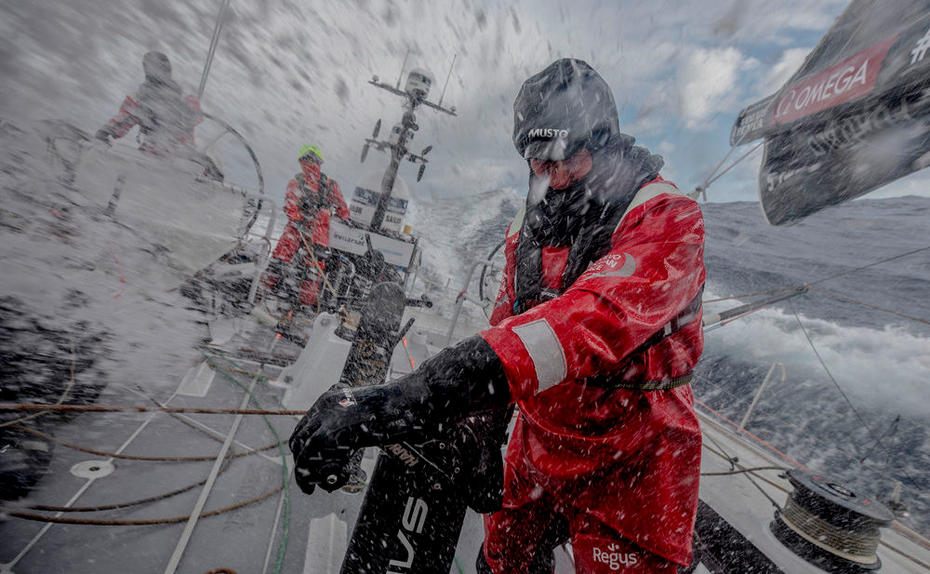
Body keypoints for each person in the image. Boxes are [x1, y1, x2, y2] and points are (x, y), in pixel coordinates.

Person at [289, 58, 705, 573]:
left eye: (562, 159)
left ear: (599, 141)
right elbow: (506, 328)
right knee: (503, 562)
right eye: (537, 161)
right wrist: (484, 430)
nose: (551, 178)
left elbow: (579, 324)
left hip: (635, 456)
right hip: (540, 440)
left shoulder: (666, 217)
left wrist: (399, 401)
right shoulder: (527, 231)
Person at [263, 145, 350, 308]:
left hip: (297, 231)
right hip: (318, 236)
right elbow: (343, 210)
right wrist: (341, 218)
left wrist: (297, 219)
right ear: (320, 162)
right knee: (312, 272)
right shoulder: (330, 185)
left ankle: (264, 294)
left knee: (280, 260)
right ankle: (304, 307)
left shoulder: (296, 182)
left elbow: (290, 204)